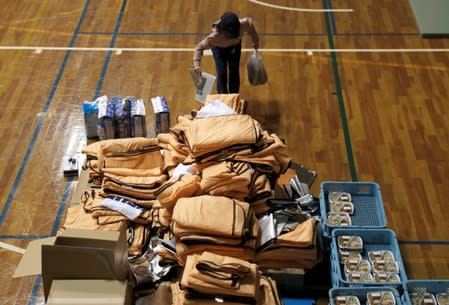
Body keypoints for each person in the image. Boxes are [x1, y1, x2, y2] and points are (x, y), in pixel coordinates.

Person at [193, 11, 259, 94]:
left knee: (234, 71)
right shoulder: (214, 37)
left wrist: (255, 44)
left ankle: (234, 95)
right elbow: (199, 47)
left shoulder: (245, 24)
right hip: (219, 50)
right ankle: (222, 97)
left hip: (235, 47)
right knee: (221, 73)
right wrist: (196, 64)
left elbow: (252, 31)